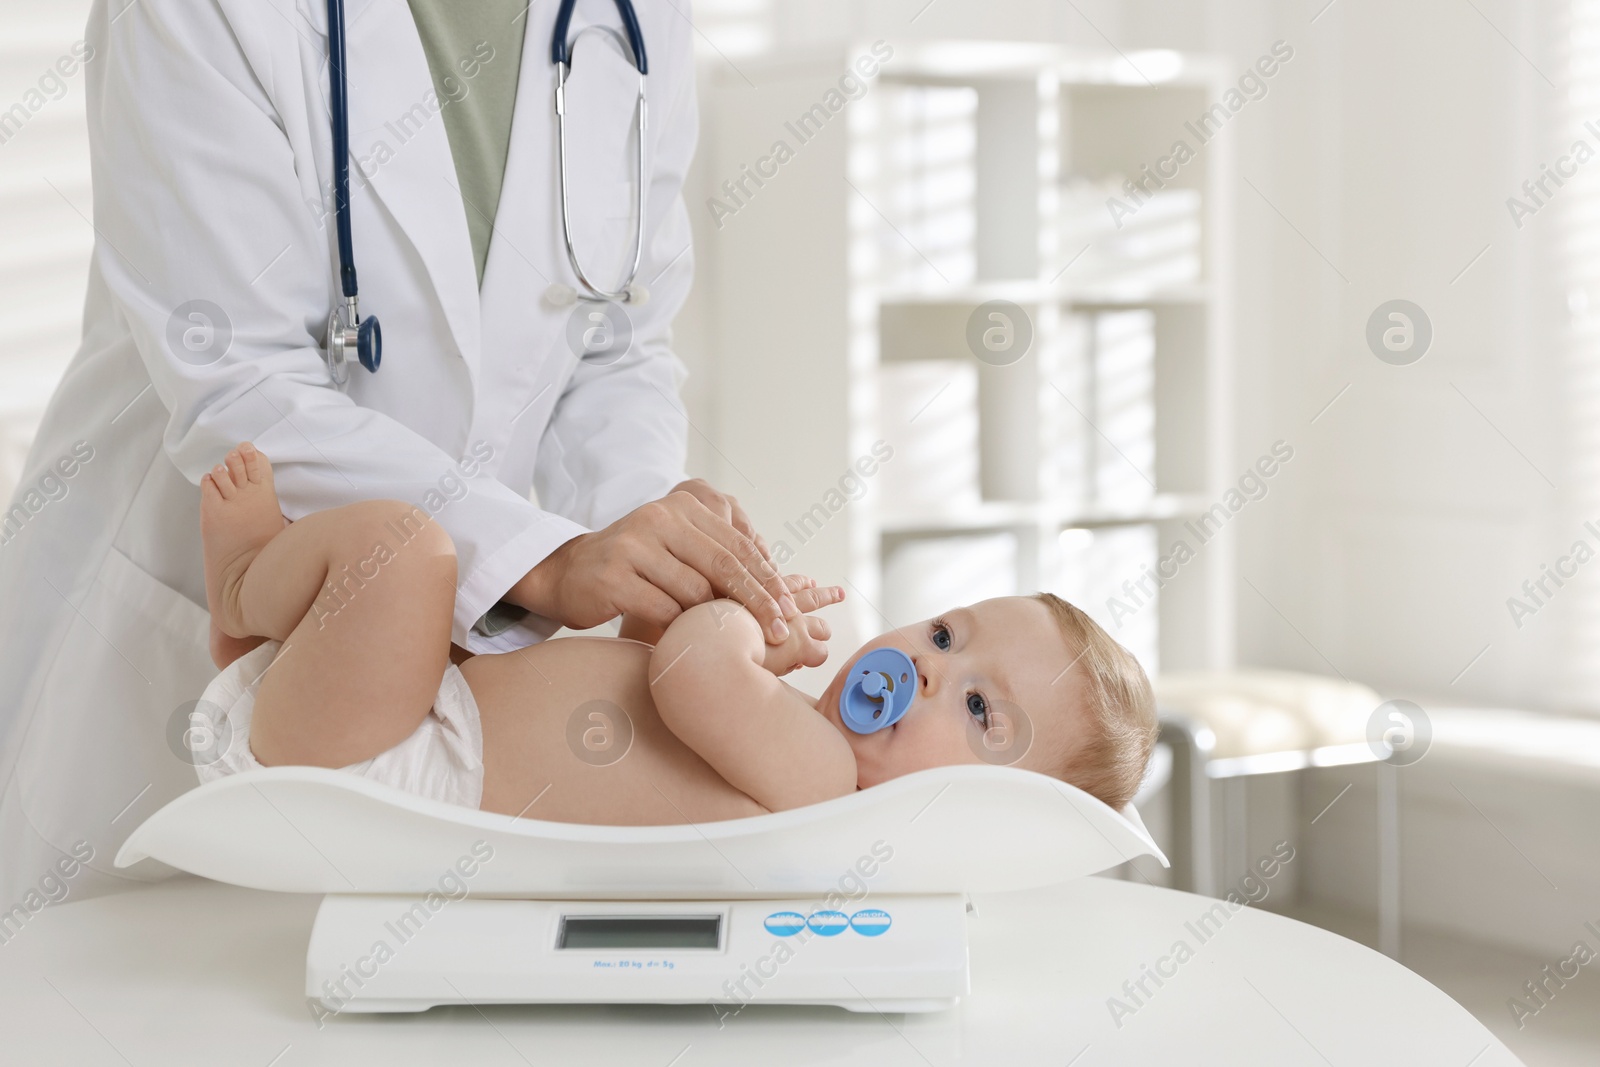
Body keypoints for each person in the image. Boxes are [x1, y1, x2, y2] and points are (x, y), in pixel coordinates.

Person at [0, 1, 797, 901]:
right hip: (166, 650)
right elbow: (240, 379)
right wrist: (548, 561)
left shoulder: (638, 16)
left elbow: (614, 342)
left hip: (439, 711)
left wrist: (654, 548)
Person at [190, 444, 1159, 820]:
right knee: (410, 567)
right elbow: (641, 673)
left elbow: (690, 670)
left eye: (981, 706)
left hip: (388, 759)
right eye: (947, 634)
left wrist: (737, 623)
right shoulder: (788, 736)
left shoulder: (820, 781)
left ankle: (242, 589)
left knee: (404, 552)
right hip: (418, 714)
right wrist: (700, 628)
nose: (927, 668)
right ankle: (267, 639)